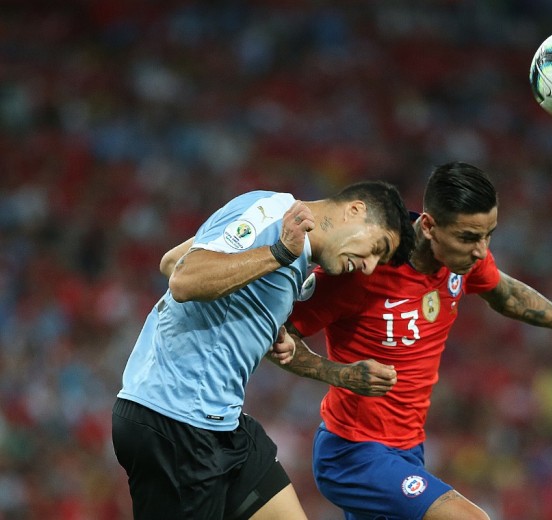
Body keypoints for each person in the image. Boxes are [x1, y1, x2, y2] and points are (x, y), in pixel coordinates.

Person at [266, 162, 552, 520]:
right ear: (429, 226)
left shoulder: (464, 259)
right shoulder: (362, 267)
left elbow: (507, 295)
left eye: (488, 236)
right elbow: (275, 338)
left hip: (408, 451)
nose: (480, 250)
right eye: (468, 237)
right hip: (352, 453)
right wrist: (340, 375)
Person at [113, 180, 415, 520]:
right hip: (173, 422)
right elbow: (182, 279)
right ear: (355, 210)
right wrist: (276, 255)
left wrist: (263, 321)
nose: (370, 266)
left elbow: (171, 260)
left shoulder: (296, 251)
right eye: (377, 247)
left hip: (221, 423)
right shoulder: (273, 217)